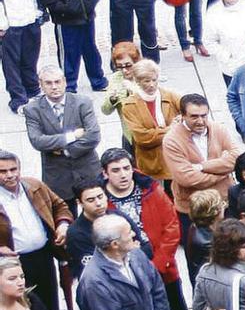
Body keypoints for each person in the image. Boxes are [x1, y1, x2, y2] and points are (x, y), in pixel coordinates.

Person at [99, 148, 190, 310]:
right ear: (105, 173)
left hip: (163, 271)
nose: (123, 174)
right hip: (126, 279)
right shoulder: (101, 200)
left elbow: (171, 227)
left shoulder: (151, 189)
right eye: (116, 170)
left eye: (126, 168)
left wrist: (157, 265)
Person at [0, 150, 72, 310]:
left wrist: (63, 224)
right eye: (3, 171)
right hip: (14, 264)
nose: (10, 175)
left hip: (44, 257)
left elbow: (60, 206)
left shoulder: (34, 186)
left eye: (13, 169)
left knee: (50, 306)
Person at [23, 65, 101, 215]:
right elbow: (37, 141)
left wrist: (64, 150)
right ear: (41, 84)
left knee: (98, 217)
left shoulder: (82, 102)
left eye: (57, 82)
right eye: (49, 83)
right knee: (65, 219)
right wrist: (71, 137)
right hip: (57, 176)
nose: (54, 87)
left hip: (87, 170)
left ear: (64, 82)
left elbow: (93, 136)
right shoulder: (32, 109)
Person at [162, 93, 241, 236]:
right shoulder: (171, 140)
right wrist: (223, 171)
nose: (200, 121)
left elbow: (237, 159)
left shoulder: (218, 129)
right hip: (193, 210)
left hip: (224, 204)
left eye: (204, 115)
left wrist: (202, 167)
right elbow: (186, 178)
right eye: (194, 116)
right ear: (182, 115)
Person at [75, 214, 170, 310]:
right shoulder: (94, 281)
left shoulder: (137, 255)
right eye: (129, 232)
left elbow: (158, 290)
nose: (134, 234)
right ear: (115, 244)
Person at [0, 0, 43, 114]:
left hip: (28, 18)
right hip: (9, 24)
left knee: (30, 58)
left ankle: (33, 90)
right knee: (11, 64)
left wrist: (36, 11)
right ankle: (18, 99)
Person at [120, 60, 181, 186]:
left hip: (174, 157)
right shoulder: (129, 105)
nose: (152, 85)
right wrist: (171, 130)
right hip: (150, 161)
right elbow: (142, 137)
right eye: (147, 81)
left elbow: (188, 112)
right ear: (138, 82)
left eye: (154, 80)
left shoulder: (170, 96)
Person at [101, 42, 141, 153]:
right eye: (119, 67)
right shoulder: (116, 79)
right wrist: (112, 99)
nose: (124, 70)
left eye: (128, 65)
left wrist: (133, 92)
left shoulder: (145, 76)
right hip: (128, 134)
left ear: (136, 62)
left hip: (146, 133)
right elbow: (105, 110)